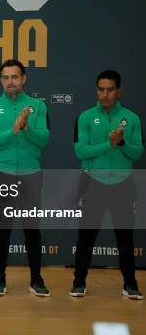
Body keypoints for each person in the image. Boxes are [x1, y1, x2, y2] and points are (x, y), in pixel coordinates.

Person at [0, 59, 50, 297]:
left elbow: (44, 140)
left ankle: (36, 279)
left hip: (31, 175)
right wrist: (13, 131)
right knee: (2, 230)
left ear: (24, 78)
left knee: (32, 230)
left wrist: (27, 128)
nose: (11, 82)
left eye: (15, 77)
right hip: (1, 175)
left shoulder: (37, 106)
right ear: (1, 80)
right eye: (6, 78)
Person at [71, 70, 143, 300]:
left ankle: (130, 284)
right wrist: (109, 145)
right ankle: (79, 283)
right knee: (86, 237)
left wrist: (121, 142)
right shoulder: (85, 117)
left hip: (123, 184)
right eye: (101, 89)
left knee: (125, 238)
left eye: (110, 89)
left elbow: (137, 153)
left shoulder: (131, 119)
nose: (104, 94)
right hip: (93, 183)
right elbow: (80, 151)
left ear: (118, 91)